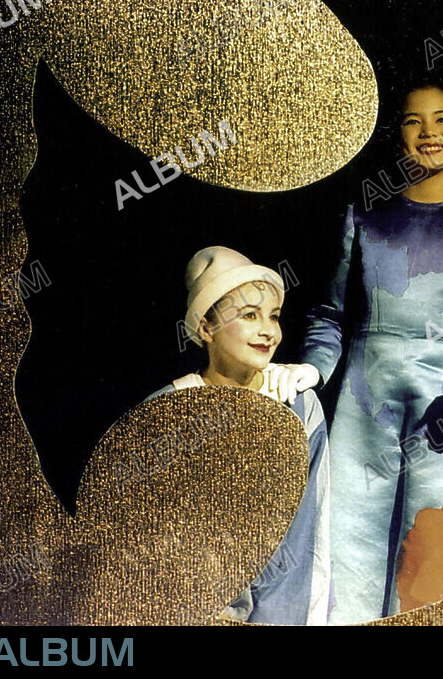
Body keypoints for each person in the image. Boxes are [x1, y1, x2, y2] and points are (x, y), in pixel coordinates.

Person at [279, 83, 443, 623]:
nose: (429, 132)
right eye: (414, 122)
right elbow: (328, 316)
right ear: (397, 139)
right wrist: (311, 368)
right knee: (348, 545)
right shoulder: (362, 220)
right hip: (363, 410)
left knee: (431, 558)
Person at [147, 246, 331, 625]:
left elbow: (307, 538)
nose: (268, 330)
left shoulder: (298, 405)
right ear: (205, 327)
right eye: (249, 315)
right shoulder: (167, 410)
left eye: (274, 316)